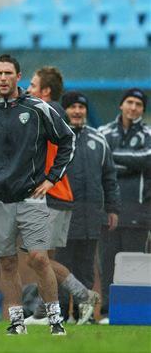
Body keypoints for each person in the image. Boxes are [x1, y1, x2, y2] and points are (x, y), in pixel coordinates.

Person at [0, 54, 75, 335]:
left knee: (39, 258)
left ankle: (55, 319)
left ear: (18, 77)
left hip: (31, 196)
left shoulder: (38, 108)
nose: (3, 78)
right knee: (6, 262)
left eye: (8, 73)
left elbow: (67, 139)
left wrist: (51, 179)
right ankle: (17, 321)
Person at [26, 67, 100, 325]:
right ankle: (47, 311)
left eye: (32, 86)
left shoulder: (51, 110)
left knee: (38, 257)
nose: (28, 89)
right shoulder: (46, 111)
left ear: (45, 92)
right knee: (43, 258)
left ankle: (83, 295)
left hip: (53, 196)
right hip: (51, 196)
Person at [54, 91, 121, 322]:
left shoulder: (98, 139)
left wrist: (112, 209)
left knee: (86, 266)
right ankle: (62, 314)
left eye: (81, 107)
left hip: (92, 214)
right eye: (72, 107)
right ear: (65, 110)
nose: (77, 111)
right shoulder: (55, 139)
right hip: (62, 213)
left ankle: (84, 313)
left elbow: (109, 177)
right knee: (62, 264)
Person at [97, 88, 150, 325]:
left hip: (139, 208)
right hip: (108, 207)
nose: (133, 107)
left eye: (138, 104)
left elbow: (147, 160)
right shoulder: (103, 132)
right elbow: (98, 161)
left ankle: (133, 311)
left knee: (135, 261)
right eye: (129, 102)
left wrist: (113, 158)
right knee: (107, 260)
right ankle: (107, 312)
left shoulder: (149, 133)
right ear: (121, 105)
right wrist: (131, 161)